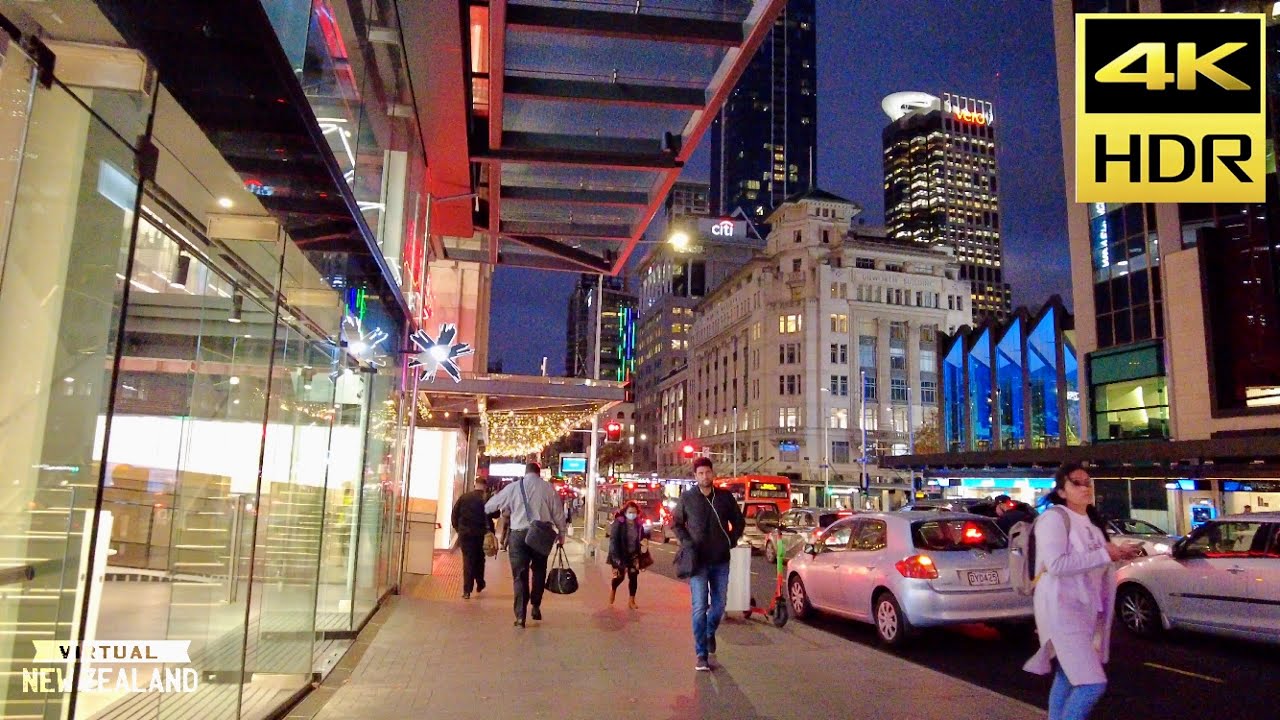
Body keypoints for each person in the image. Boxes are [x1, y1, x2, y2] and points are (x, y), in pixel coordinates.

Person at [1024, 462, 1141, 720]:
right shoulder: (1053, 519)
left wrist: (1118, 554)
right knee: (1092, 684)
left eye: (1087, 482)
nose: (1085, 488)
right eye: (1076, 483)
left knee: (1067, 677)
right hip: (1062, 610)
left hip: (1086, 610)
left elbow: (1094, 563)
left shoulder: (1090, 522)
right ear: (1061, 491)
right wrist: (1104, 554)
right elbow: (1056, 565)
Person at [672, 457, 744, 672]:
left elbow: (738, 521)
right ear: (695, 476)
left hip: (721, 559)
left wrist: (731, 540)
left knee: (719, 606)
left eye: (708, 472)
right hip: (698, 561)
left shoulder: (724, 497)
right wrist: (687, 543)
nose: (705, 476)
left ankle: (709, 631)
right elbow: (676, 523)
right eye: (701, 473)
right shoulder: (688, 498)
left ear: (713, 473)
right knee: (699, 607)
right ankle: (701, 654)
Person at [484, 462, 566, 627]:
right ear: (539, 473)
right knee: (539, 571)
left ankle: (520, 616)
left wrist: (506, 508)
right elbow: (558, 512)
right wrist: (562, 533)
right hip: (540, 534)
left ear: (525, 472)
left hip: (518, 535)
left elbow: (489, 506)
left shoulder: (513, 487)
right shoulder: (548, 488)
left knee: (519, 576)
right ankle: (535, 606)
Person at [451, 478, 494, 599]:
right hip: (481, 534)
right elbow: (495, 514)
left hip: (465, 534)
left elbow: (454, 514)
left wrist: (458, 529)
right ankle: (480, 582)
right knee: (480, 559)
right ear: (485, 486)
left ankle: (467, 590)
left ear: (475, 485)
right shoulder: (487, 498)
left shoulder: (464, 497)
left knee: (468, 560)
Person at [608, 500, 648, 609]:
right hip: (621, 554)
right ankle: (613, 589)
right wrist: (615, 559)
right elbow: (613, 541)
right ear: (625, 512)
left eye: (634, 512)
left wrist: (644, 541)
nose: (632, 514)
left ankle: (631, 601)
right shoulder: (619, 523)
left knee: (633, 577)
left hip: (633, 555)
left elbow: (643, 536)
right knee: (620, 577)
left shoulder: (638, 524)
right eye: (630, 512)